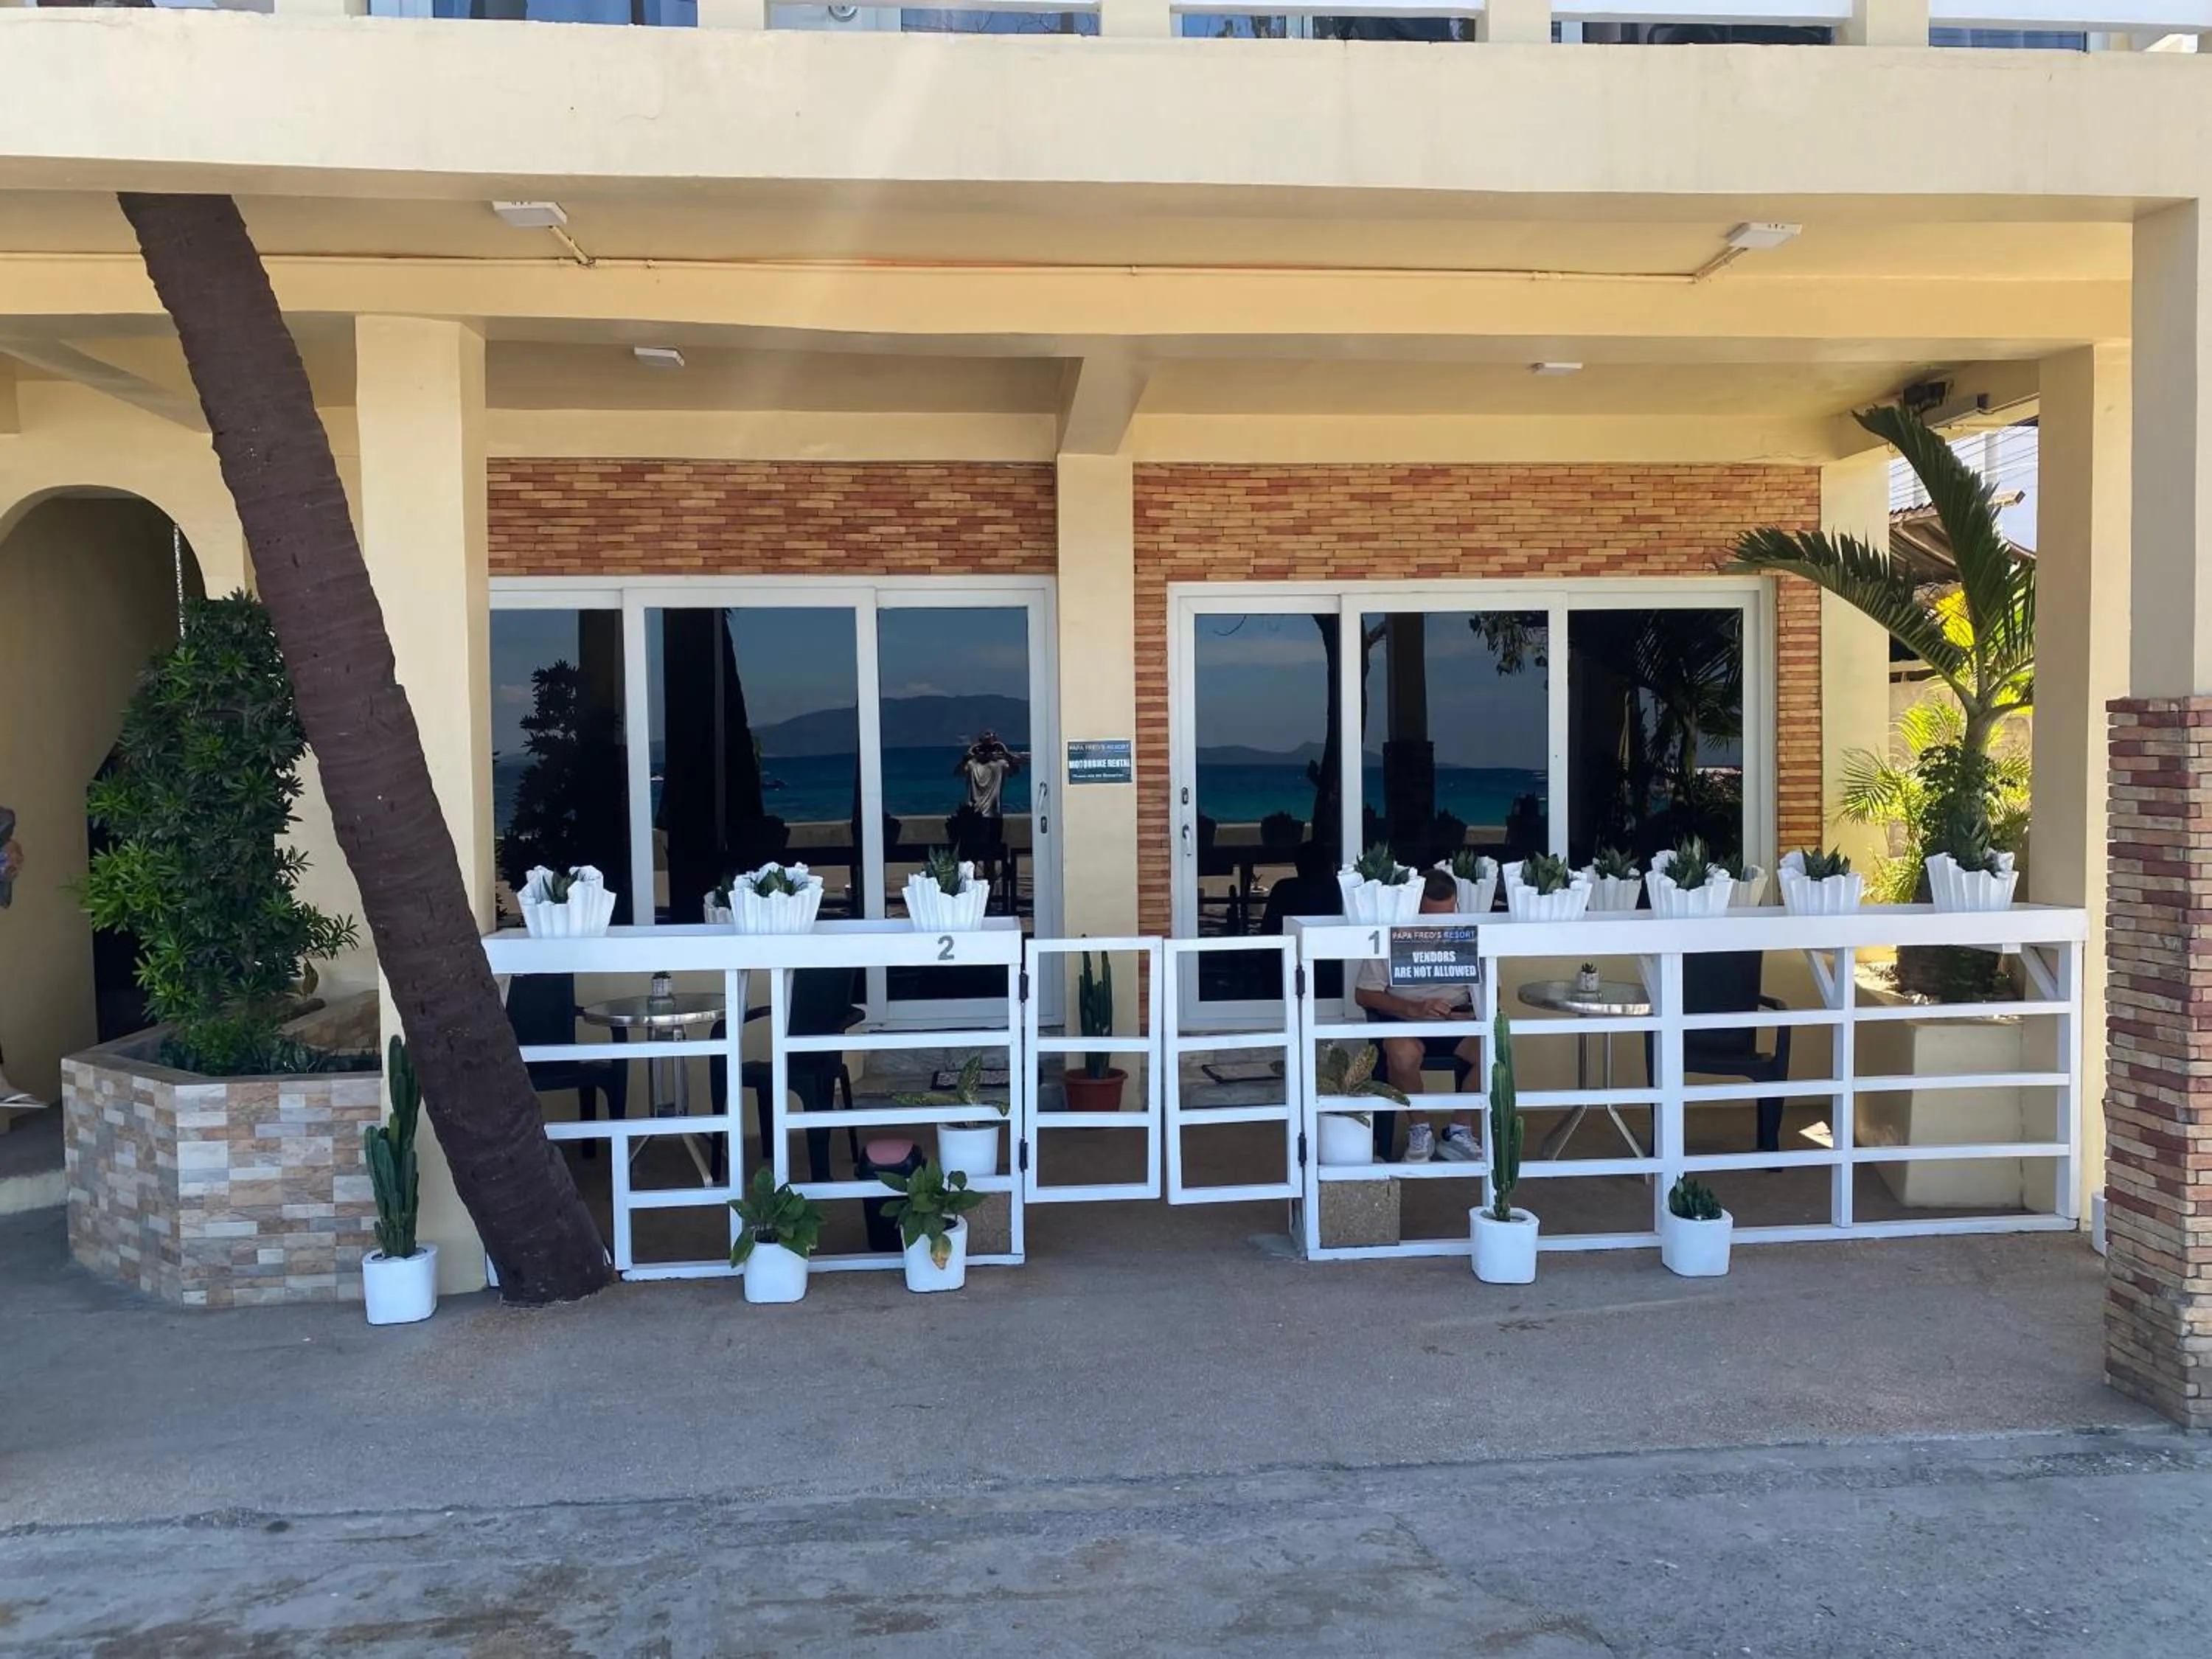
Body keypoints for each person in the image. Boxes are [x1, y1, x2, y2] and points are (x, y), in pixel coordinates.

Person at [1354, 869, 1480, 1164]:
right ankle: (1419, 1129)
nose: (1439, 927)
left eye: (1447, 916)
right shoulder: (1390, 936)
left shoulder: (1468, 933)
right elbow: (1364, 994)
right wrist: (1412, 1009)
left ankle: (1458, 1132)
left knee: (1495, 1048)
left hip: (1458, 1023)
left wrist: (1472, 1013)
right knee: (1401, 1053)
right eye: (1430, 918)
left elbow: (1493, 993)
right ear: (1414, 910)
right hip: (1406, 1021)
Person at [950, 731, 1023, 902]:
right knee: (978, 860)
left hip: (981, 817)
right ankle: (982, 895)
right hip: (982, 818)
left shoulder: (994, 764)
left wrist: (1002, 753)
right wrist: (969, 756)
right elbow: (1015, 770)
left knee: (979, 859)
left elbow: (1014, 769)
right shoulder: (989, 764)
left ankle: (981, 895)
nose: (987, 751)